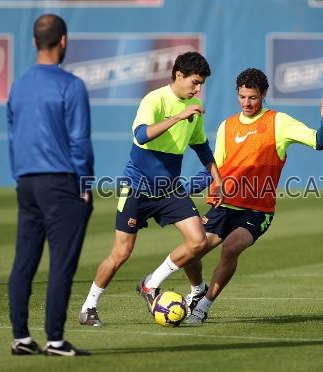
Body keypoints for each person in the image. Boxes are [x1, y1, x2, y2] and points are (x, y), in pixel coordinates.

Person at [181, 67, 323, 324]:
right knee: (192, 252)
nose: (247, 102)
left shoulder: (279, 122)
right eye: (242, 97)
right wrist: (184, 189)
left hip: (257, 209)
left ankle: (203, 307)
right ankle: (197, 290)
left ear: (263, 94)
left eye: (252, 97)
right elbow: (215, 168)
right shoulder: (227, 126)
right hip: (223, 205)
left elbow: (319, 141)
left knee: (231, 249)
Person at [79, 51, 223, 326]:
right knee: (121, 253)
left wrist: (217, 178)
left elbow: (201, 147)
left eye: (201, 84)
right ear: (178, 75)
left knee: (198, 241)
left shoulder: (193, 107)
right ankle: (89, 306)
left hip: (169, 188)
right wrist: (179, 117)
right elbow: (141, 135)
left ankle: (150, 284)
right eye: (195, 82)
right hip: (137, 187)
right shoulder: (154, 99)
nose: (198, 89)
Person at [7, 14, 93, 356]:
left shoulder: (18, 85)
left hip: (26, 183)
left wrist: (20, 177)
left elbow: (14, 137)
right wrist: (85, 183)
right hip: (61, 184)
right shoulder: (71, 85)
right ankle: (55, 340)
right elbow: (80, 142)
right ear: (63, 42)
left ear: (33, 42)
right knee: (62, 263)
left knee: (24, 262)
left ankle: (21, 338)